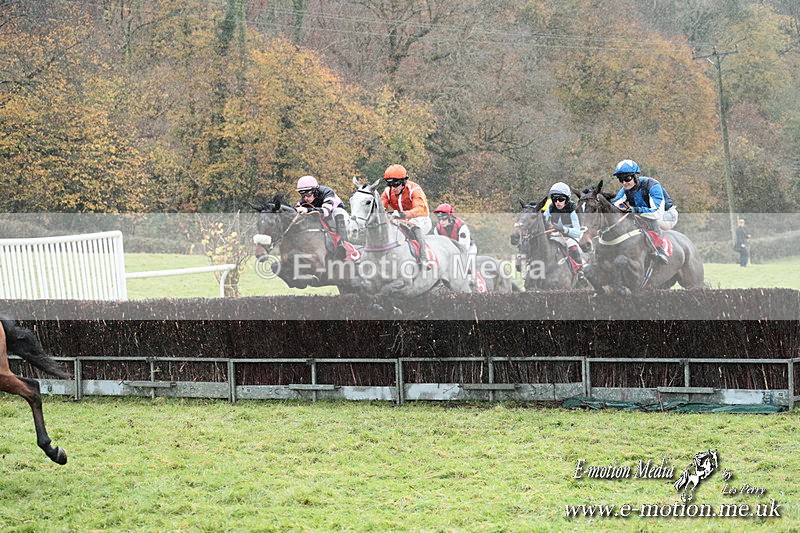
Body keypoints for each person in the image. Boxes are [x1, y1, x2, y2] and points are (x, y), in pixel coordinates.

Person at [610, 159, 677, 264]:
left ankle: (660, 250)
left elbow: (656, 213)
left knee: (650, 218)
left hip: (666, 215)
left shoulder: (652, 185)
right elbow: (615, 205)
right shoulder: (625, 189)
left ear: (636, 176)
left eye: (627, 178)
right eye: (620, 180)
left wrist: (634, 210)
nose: (624, 183)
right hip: (645, 214)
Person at [380, 164, 433, 267]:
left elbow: (420, 209)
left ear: (403, 182)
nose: (393, 188)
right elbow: (381, 208)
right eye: (390, 184)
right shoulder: (387, 192)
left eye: (396, 184)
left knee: (413, 225)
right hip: (402, 219)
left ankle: (424, 258)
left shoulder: (414, 189)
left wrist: (403, 214)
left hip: (420, 218)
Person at [542, 182, 585, 275]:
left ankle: (580, 271)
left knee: (572, 246)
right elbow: (543, 221)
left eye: (561, 199)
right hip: (556, 235)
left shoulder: (573, 209)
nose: (557, 202)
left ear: (567, 199)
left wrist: (564, 229)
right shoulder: (550, 208)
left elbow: (577, 232)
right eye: (554, 199)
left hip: (571, 237)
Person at [295, 175, 349, 240]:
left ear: (315, 190)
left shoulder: (328, 192)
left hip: (335, 215)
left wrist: (307, 210)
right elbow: (295, 211)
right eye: (302, 194)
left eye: (308, 193)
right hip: (321, 216)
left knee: (338, 211)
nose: (306, 198)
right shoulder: (303, 200)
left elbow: (325, 211)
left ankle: (343, 241)